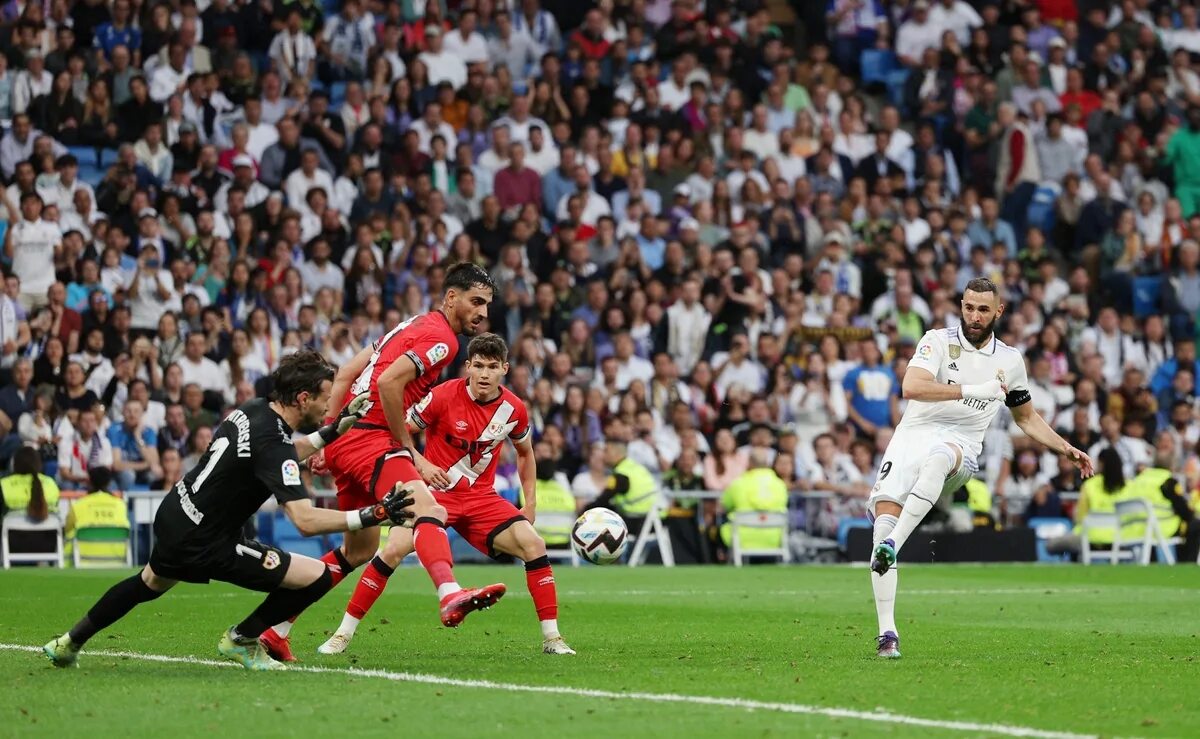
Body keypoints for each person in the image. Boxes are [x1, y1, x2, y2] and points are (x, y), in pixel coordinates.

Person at [42, 351, 415, 671]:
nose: (327, 405)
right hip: (206, 540)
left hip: (177, 512)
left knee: (149, 582)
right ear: (303, 398)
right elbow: (304, 520)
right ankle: (242, 639)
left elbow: (280, 453)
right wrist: (374, 514)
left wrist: (333, 431)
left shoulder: (254, 409)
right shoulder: (273, 442)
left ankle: (68, 643)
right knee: (316, 576)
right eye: (325, 399)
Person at [258, 262, 499, 663]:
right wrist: (408, 450)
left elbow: (346, 374)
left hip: (347, 440)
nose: (481, 313)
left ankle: (276, 628)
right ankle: (449, 593)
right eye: (476, 302)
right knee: (429, 508)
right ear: (451, 297)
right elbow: (388, 384)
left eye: (486, 306)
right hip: (372, 438)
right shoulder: (445, 340)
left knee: (357, 551)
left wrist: (328, 435)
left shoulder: (406, 327)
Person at [867, 278, 1093, 658]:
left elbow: (1026, 416)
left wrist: (1064, 447)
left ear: (998, 311)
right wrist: (973, 390)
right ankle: (887, 633)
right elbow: (912, 386)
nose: (974, 315)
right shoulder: (936, 341)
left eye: (983, 309)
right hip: (911, 437)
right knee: (880, 528)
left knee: (940, 457)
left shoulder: (1009, 360)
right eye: (969, 307)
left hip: (961, 444)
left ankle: (895, 544)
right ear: (961, 304)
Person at [313, 334, 574, 656]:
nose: (484, 374)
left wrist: (530, 503)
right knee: (393, 548)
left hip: (480, 498)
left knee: (534, 544)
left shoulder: (514, 409)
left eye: (492, 367)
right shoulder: (443, 395)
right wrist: (420, 464)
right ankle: (342, 634)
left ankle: (553, 639)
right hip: (434, 495)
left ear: (504, 369)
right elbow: (399, 431)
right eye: (478, 365)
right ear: (468, 366)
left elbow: (525, 453)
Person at [63, 466, 131, 563]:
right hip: (116, 559)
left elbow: (67, 530)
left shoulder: (78, 505)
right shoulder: (121, 505)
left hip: (82, 559)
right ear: (109, 483)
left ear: (89, 481)